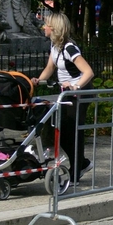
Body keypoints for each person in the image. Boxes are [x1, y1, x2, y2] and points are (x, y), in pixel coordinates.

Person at [31, 12, 94, 186]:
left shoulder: (69, 48)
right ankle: (82, 163)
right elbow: (50, 67)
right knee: (62, 130)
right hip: (67, 94)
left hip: (80, 93)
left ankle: (76, 171)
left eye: (47, 25)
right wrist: (38, 81)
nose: (44, 27)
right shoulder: (54, 46)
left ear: (55, 28)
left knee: (73, 131)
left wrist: (76, 86)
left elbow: (88, 71)